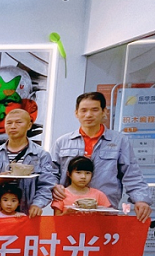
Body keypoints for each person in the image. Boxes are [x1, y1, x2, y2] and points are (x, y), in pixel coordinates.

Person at [51, 92, 152, 222]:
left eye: (94, 110)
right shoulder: (62, 142)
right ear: (76, 113)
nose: (88, 115)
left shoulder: (119, 141)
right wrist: (54, 185)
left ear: (104, 112)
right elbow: (50, 172)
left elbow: (132, 174)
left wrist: (141, 200)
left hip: (105, 212)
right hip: (68, 214)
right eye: (83, 110)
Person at [0, 109, 56, 217]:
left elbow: (47, 185)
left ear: (29, 125)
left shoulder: (40, 155)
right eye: (9, 123)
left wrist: (37, 204)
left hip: (29, 214)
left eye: (18, 122)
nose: (13, 126)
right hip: (1, 214)